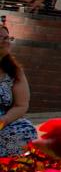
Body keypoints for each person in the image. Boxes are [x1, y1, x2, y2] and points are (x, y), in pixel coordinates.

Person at [0, 19, 38, 156]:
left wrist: (4, 120)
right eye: (1, 38)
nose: (6, 41)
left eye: (8, 38)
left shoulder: (14, 72)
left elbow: (20, 105)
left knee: (25, 130)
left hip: (4, 121)